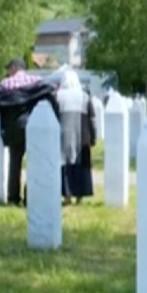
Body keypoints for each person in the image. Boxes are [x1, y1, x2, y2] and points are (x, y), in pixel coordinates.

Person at [0, 60, 54, 206]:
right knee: (32, 163)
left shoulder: (5, 84)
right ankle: (29, 195)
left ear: (14, 68)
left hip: (12, 129)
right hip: (31, 126)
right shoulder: (35, 81)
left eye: (9, 68)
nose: (8, 72)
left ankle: (13, 196)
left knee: (14, 162)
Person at [57, 68, 96, 205]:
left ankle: (66, 196)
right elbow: (92, 119)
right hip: (82, 137)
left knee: (64, 165)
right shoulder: (85, 96)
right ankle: (80, 195)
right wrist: (93, 137)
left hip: (62, 137)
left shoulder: (57, 96)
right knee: (80, 166)